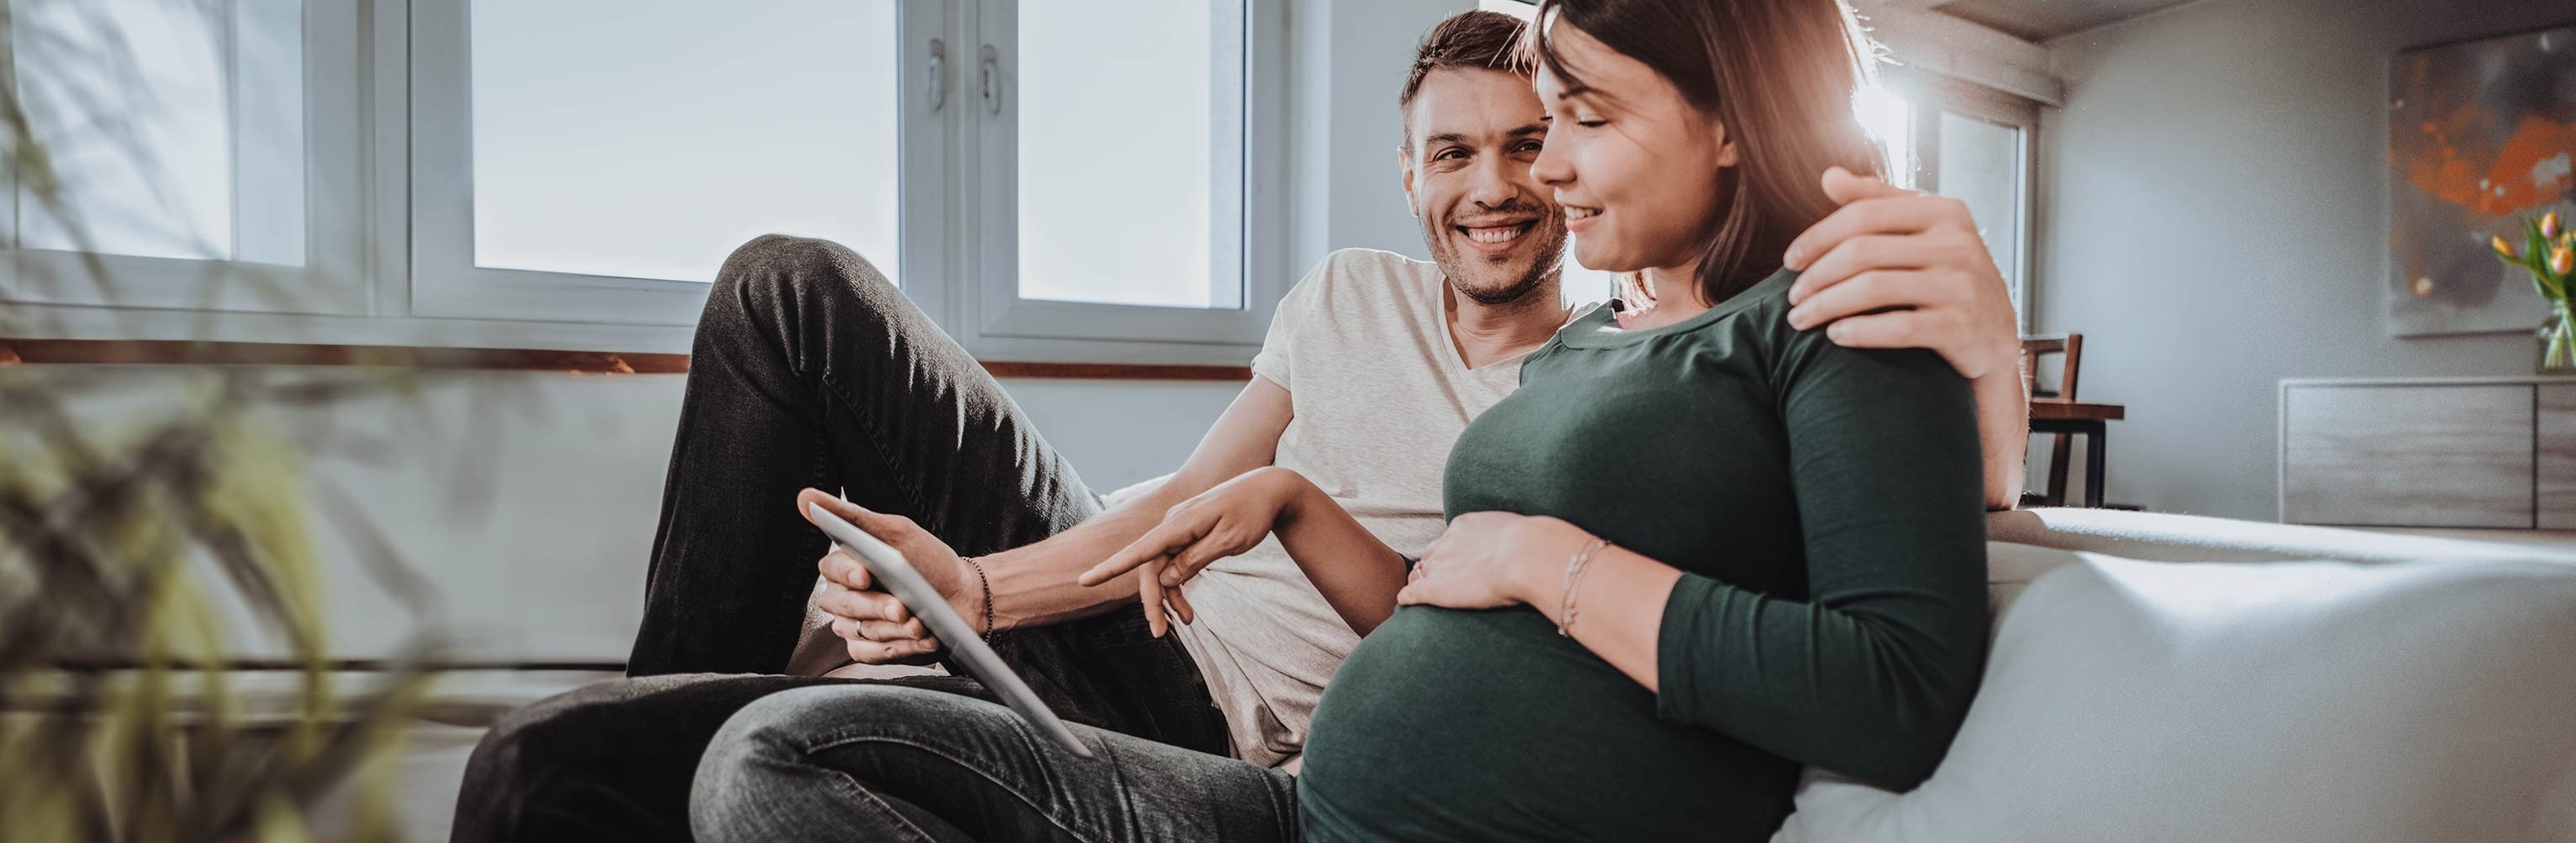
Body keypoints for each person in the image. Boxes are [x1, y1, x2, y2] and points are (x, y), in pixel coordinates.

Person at [451, 8, 2024, 842]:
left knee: (664, 772)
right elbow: (1192, 505)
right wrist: (980, 585)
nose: (1513, 182)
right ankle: (685, 696)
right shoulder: (1375, 303)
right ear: (1406, 174)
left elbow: (1907, 542)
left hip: (1230, 723)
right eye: (1460, 152)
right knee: (790, 296)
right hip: (1142, 610)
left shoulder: (1651, 358)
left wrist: (1990, 380)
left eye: (1551, 134)